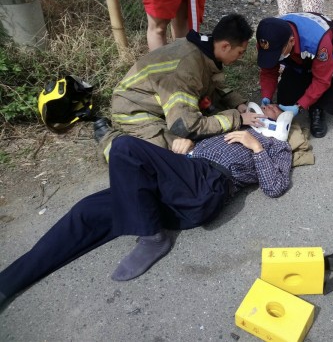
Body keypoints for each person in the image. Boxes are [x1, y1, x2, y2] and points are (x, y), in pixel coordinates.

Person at [0, 104, 293, 309]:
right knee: (86, 211)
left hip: (208, 187)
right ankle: (8, 283)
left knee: (125, 147)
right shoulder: (230, 125)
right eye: (266, 106)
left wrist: (255, 147)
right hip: (180, 179)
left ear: (282, 122)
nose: (269, 108)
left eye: (276, 109)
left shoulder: (276, 146)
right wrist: (186, 145)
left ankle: (153, 237)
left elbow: (275, 187)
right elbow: (188, 135)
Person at [95, 14, 262, 161]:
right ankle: (110, 141)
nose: (240, 57)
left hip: (156, 102)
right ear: (225, 46)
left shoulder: (206, 49)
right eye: (240, 52)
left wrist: (237, 104)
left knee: (210, 120)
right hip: (133, 109)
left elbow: (215, 83)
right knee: (175, 150)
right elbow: (186, 126)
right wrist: (237, 119)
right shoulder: (186, 70)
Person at [255, 13, 333, 138]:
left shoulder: (317, 40)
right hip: (299, 60)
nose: (274, 57)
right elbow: (268, 71)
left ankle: (318, 107)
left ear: (291, 41)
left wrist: (300, 105)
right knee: (285, 99)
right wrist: (266, 95)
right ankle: (306, 82)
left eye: (276, 54)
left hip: (332, 52)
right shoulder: (267, 39)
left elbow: (322, 80)